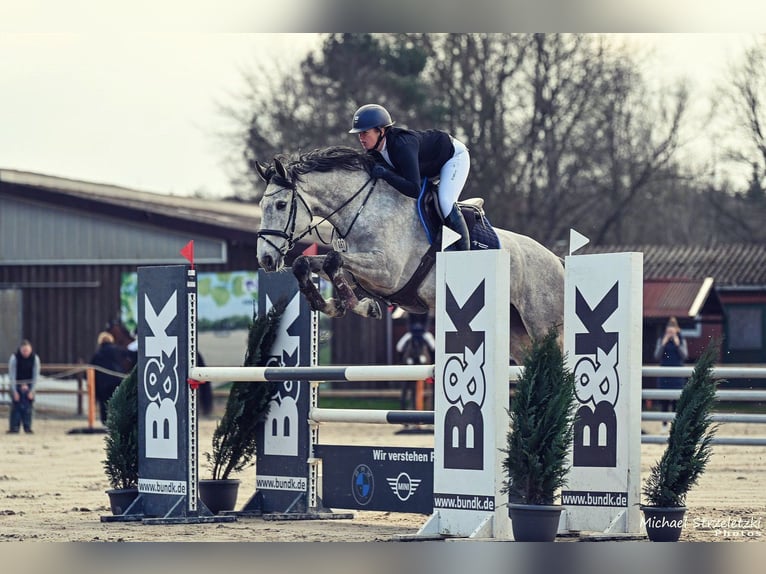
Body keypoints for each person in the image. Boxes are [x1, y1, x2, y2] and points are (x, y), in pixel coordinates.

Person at [349, 103, 471, 250]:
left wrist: (386, 174)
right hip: (428, 166)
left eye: (365, 133)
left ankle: (465, 251)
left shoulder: (403, 146)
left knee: (446, 201)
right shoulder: (374, 152)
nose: (361, 138)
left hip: (453, 158)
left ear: (380, 131)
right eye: (359, 134)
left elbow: (414, 190)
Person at [653, 316, 689, 426]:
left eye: (672, 331)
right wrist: (663, 343)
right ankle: (664, 424)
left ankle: (675, 424)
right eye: (668, 331)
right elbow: (657, 356)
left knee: (676, 401)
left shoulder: (681, 339)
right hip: (664, 373)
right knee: (664, 401)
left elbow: (685, 355)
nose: (670, 333)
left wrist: (678, 344)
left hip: (677, 374)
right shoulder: (661, 339)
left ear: (676, 330)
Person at [90, 332, 130, 425]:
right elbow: (130, 355)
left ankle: (106, 423)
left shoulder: (97, 354)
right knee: (117, 402)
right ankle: (118, 422)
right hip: (117, 381)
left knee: (104, 404)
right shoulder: (117, 350)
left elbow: (92, 369)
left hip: (102, 385)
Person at [8, 339, 40, 434]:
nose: (25, 353)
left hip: (30, 384)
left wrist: (32, 390)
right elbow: (12, 375)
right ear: (20, 350)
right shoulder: (14, 358)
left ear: (30, 350)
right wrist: (14, 391)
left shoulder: (35, 358)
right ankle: (14, 427)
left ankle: (27, 427)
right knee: (16, 406)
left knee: (28, 406)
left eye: (27, 351)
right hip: (16, 383)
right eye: (24, 351)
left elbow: (36, 375)